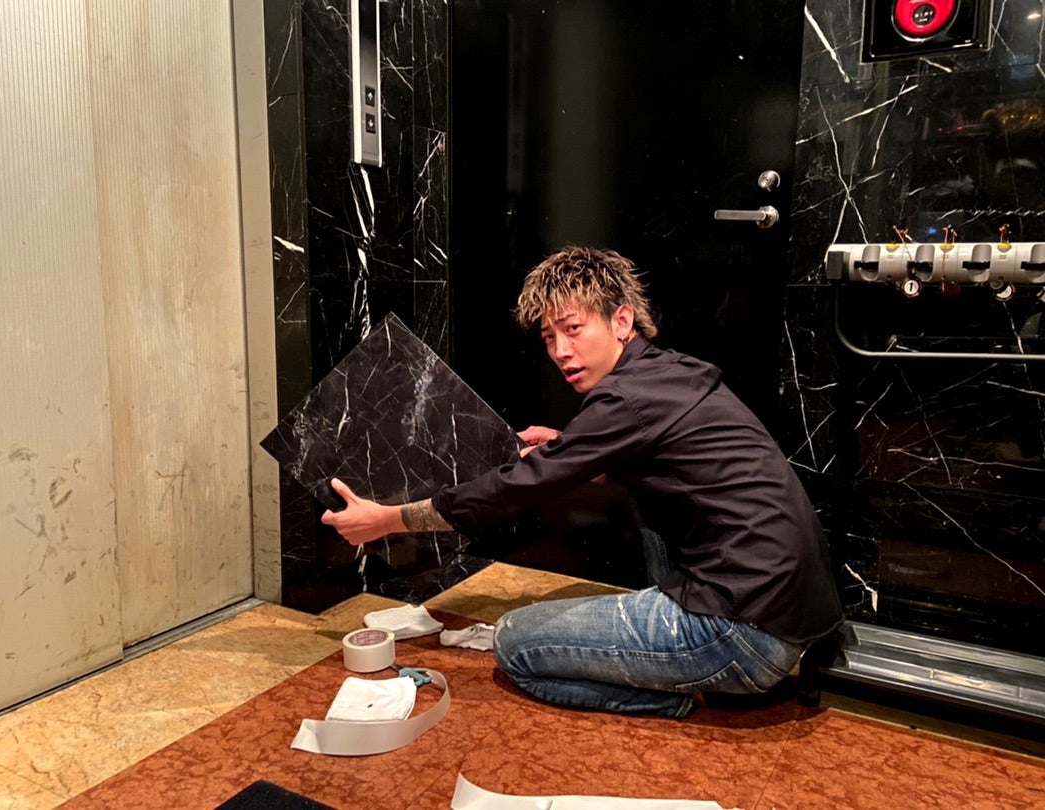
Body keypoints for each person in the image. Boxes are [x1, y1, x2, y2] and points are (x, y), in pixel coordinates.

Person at [321, 245, 844, 718]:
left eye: (573, 329)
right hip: (787, 615)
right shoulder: (667, 372)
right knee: (646, 485)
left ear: (622, 321)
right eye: (549, 337)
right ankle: (672, 655)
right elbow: (647, 451)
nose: (560, 351)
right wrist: (571, 448)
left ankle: (677, 696)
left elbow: (518, 487)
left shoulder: (625, 399)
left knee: (514, 645)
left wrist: (387, 520)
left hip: (739, 636)